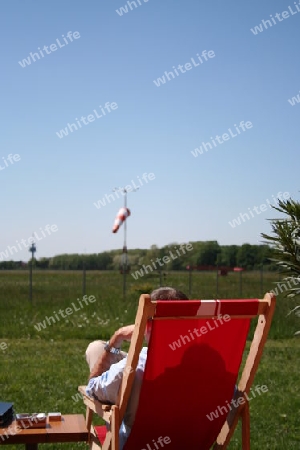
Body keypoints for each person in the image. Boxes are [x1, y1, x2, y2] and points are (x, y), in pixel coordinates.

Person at [85, 286, 188, 449]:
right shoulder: (211, 366)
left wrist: (116, 338)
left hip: (135, 443)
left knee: (97, 350)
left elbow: (91, 388)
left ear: (146, 324)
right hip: (188, 442)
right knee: (96, 347)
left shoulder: (133, 365)